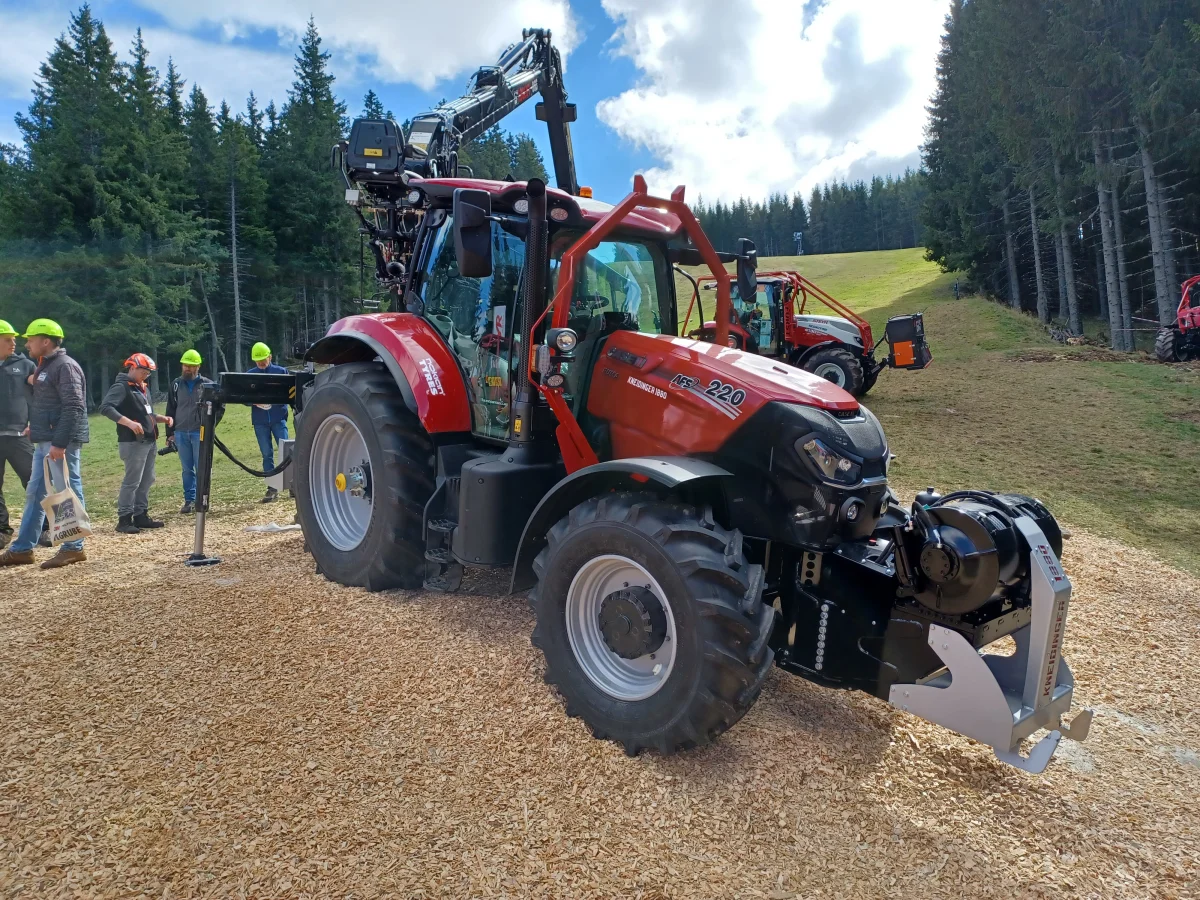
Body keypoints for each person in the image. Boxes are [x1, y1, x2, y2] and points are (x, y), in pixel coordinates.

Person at [0, 318, 89, 569]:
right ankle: (22, 549)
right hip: (45, 440)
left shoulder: (64, 366)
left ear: (45, 341)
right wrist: (35, 427)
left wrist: (59, 443)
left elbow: (73, 407)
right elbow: (47, 403)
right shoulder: (46, 366)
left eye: (30, 339)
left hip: (59, 442)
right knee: (35, 493)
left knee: (64, 491)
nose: (26, 344)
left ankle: (73, 547)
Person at [100, 353, 173, 534]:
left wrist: (161, 419)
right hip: (132, 442)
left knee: (147, 479)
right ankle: (124, 519)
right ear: (132, 367)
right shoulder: (122, 386)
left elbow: (146, 414)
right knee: (132, 481)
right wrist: (129, 423)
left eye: (148, 372)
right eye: (143, 371)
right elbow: (106, 407)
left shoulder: (142, 388)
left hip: (149, 441)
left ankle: (141, 515)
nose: (146, 375)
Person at [0, 319, 52, 550]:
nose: (14, 343)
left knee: (35, 482)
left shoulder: (24, 364)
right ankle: (2, 531)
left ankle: (47, 528)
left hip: (20, 435)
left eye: (14, 339)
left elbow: (41, 393)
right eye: (7, 340)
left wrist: (39, 421)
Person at [165, 349, 218, 514]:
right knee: (187, 469)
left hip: (199, 432)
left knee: (202, 467)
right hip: (180, 432)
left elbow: (219, 407)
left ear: (198, 366)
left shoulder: (208, 385)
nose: (187, 368)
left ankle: (202, 499)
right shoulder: (175, 384)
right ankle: (189, 500)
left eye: (191, 366)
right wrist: (170, 433)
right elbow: (170, 409)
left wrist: (210, 425)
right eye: (185, 365)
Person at [248, 341, 288, 503]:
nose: (261, 364)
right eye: (258, 362)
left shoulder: (281, 372)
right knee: (266, 454)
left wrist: (277, 402)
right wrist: (254, 402)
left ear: (270, 357)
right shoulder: (250, 375)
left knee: (286, 452)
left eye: (263, 360)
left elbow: (289, 393)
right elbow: (243, 397)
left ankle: (293, 484)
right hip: (260, 421)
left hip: (278, 418)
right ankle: (272, 487)